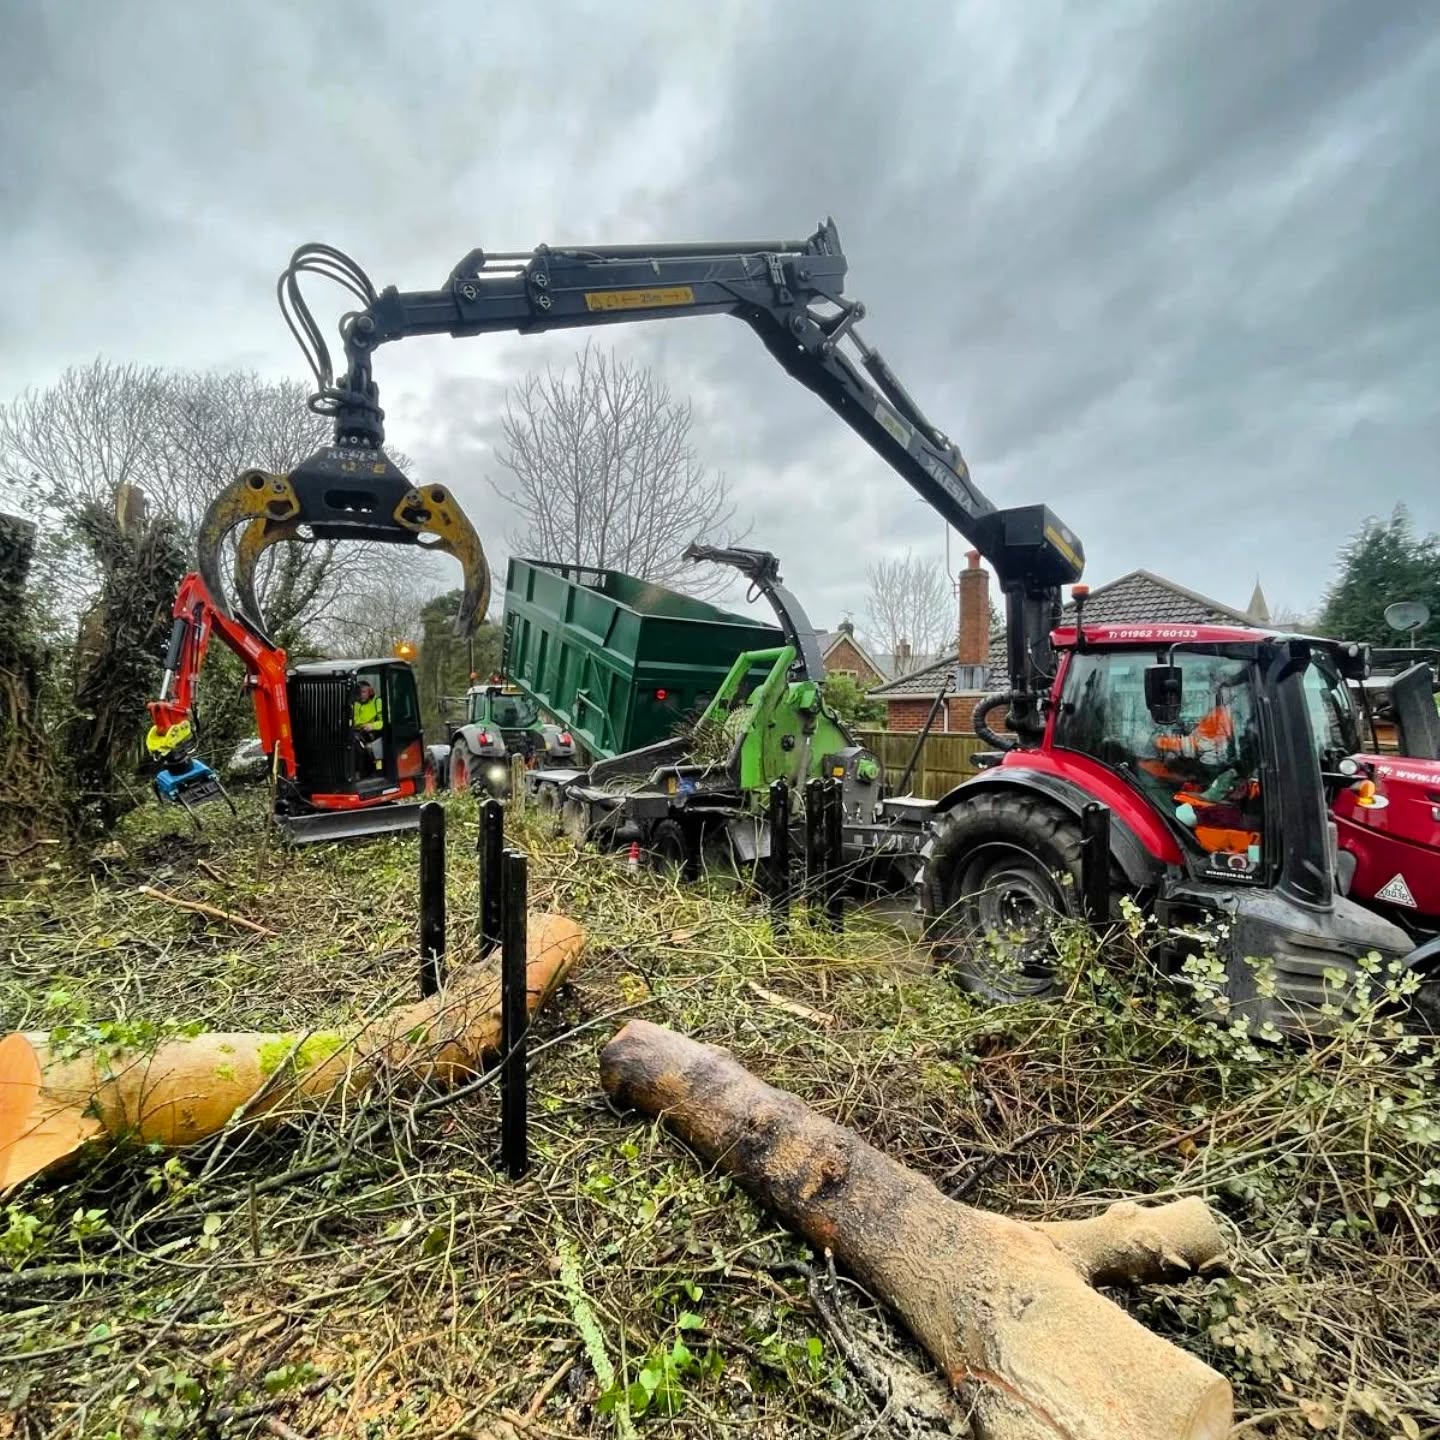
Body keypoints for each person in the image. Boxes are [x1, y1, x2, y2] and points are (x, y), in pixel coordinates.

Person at [353, 680, 384, 771]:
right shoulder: (355, 703)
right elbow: (354, 721)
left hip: (372, 733)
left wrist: (372, 726)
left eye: (363, 692)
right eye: (359, 692)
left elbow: (384, 721)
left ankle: (364, 772)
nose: (361, 695)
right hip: (357, 732)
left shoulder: (377, 702)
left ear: (370, 692)